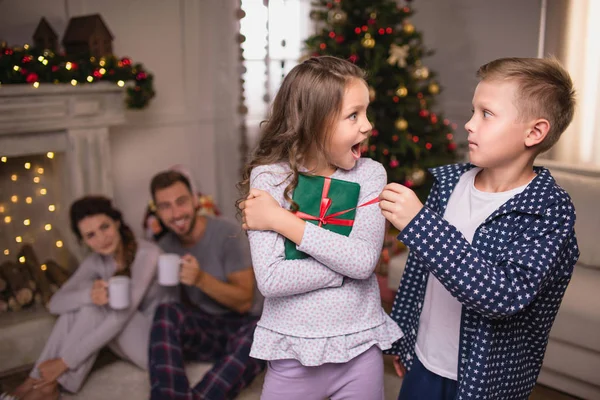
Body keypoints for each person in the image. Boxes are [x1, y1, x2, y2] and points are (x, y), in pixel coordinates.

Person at [380, 57, 580, 400]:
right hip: (425, 365)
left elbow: (502, 296)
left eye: (486, 114)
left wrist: (421, 226)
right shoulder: (450, 184)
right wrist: (402, 335)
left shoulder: (549, 212)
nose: (469, 125)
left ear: (535, 132)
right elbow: (419, 272)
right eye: (474, 112)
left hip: (487, 384)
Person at [238, 55, 403, 400]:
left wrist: (281, 220)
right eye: (353, 115)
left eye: (366, 112)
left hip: (360, 348)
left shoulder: (370, 174)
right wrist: (344, 270)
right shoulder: (268, 178)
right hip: (291, 352)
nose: (368, 125)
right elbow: (271, 280)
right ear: (314, 122)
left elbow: (363, 262)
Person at [2, 196, 172, 400]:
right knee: (87, 303)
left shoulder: (148, 254)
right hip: (130, 339)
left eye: (105, 227)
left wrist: (65, 362)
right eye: (91, 235)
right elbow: (56, 303)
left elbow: (120, 319)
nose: (101, 239)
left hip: (159, 346)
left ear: (117, 222)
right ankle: (36, 382)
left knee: (101, 306)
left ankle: (49, 382)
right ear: (83, 241)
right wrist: (89, 295)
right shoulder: (97, 261)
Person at [147, 170, 264, 400]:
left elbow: (244, 301)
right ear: (158, 212)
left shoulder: (227, 232)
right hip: (208, 328)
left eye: (181, 202)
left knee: (261, 333)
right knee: (165, 312)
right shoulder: (165, 246)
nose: (176, 213)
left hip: (244, 324)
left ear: (194, 200)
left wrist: (200, 279)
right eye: (165, 206)